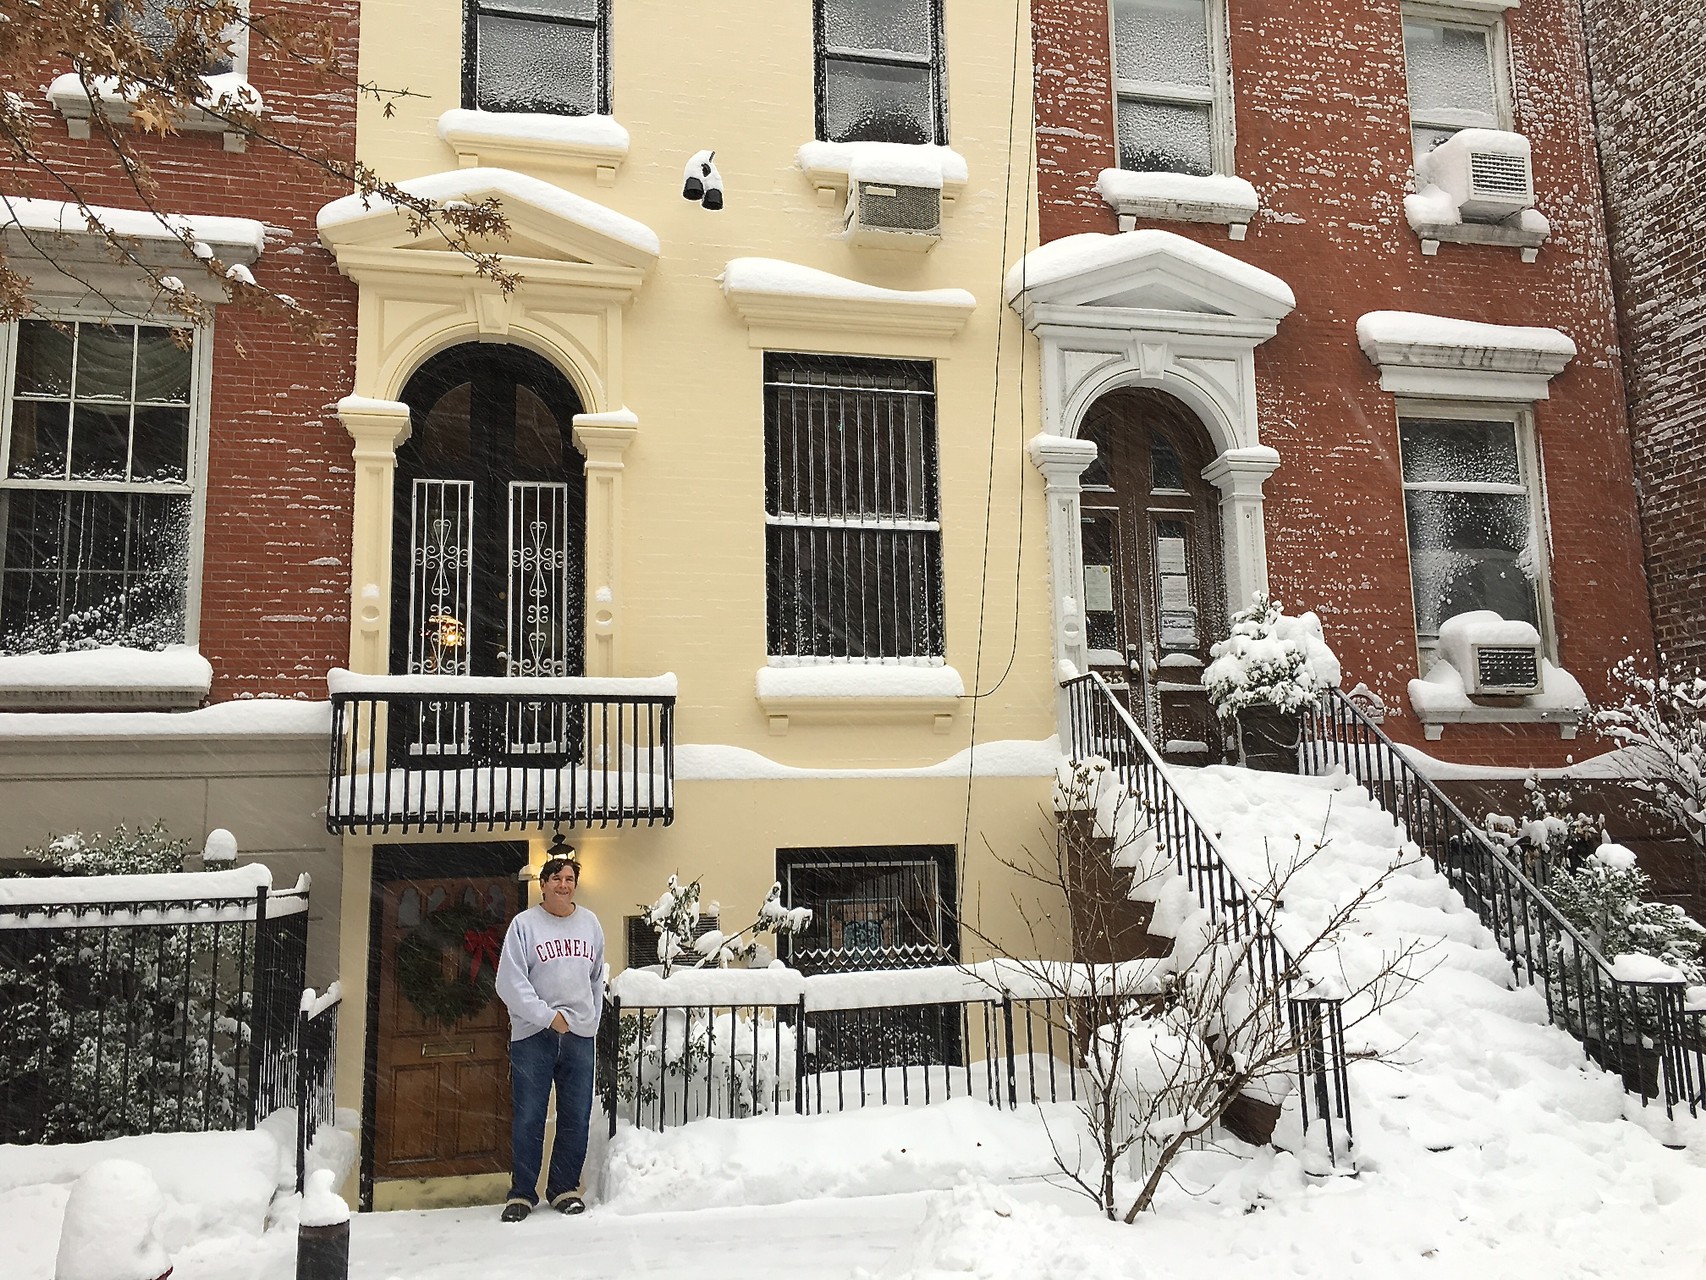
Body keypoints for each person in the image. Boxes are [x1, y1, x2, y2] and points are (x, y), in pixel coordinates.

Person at [494, 851, 604, 1222]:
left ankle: (563, 1189)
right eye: (556, 878)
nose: (563, 885)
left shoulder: (590, 924)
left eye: (569, 879)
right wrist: (547, 1017)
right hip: (533, 1036)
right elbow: (509, 982)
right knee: (529, 1116)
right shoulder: (525, 926)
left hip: (579, 1036)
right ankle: (522, 1194)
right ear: (543, 885)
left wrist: (589, 1022)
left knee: (576, 1115)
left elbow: (596, 979)